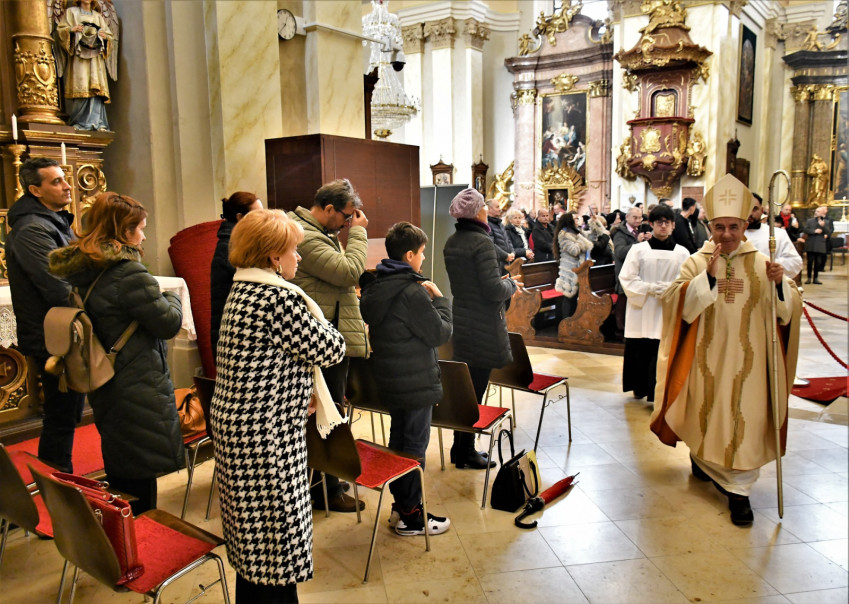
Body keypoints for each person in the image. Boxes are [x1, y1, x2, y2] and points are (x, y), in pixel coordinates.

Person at [651, 174, 801, 527]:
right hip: (706, 359)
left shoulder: (763, 263)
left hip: (751, 364)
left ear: (746, 225)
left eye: (734, 226)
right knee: (705, 415)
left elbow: (787, 311)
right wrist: (707, 278)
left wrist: (780, 285)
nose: (727, 234)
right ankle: (703, 461)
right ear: (710, 226)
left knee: (744, 422)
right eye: (720, 227)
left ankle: (739, 491)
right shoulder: (696, 261)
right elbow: (674, 303)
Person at [211, 209, 346, 603]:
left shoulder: (243, 288)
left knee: (253, 541)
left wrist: (296, 388)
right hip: (265, 434)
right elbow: (331, 347)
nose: (298, 257)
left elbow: (267, 362)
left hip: (240, 426)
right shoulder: (276, 298)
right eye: (293, 250)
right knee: (277, 541)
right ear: (273, 256)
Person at [48, 192, 184, 512]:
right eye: (140, 229)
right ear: (124, 231)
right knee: (141, 474)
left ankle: (124, 533)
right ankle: (141, 536)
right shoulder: (129, 274)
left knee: (123, 465)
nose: (144, 236)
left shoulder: (84, 270)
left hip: (107, 377)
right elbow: (168, 324)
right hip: (137, 383)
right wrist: (173, 298)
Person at [359, 222, 452, 537]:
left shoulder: (376, 287)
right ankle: (412, 516)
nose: (424, 258)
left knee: (399, 444)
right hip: (415, 383)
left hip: (392, 380)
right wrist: (441, 301)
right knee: (413, 448)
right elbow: (439, 333)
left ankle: (401, 509)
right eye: (422, 253)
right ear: (410, 255)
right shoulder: (412, 291)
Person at [289, 178, 367, 513]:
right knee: (329, 413)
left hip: (329, 335)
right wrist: (359, 234)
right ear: (329, 208)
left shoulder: (319, 232)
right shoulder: (305, 235)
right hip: (322, 340)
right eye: (347, 217)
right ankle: (327, 491)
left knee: (331, 410)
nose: (349, 223)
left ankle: (326, 480)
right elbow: (349, 272)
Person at [6, 158, 85, 473]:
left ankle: (60, 480)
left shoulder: (52, 221)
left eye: (64, 179)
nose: (67, 186)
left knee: (67, 413)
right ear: (35, 190)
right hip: (52, 335)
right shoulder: (32, 229)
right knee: (61, 416)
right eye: (56, 181)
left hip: (62, 329)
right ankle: (58, 484)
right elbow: (57, 286)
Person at [443, 188, 518, 469]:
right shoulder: (481, 242)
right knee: (476, 391)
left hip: (463, 318)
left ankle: (460, 448)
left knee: (467, 389)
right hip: (484, 324)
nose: (487, 208)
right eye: (484, 205)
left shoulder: (453, 241)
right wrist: (511, 284)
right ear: (477, 212)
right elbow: (492, 289)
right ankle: (466, 450)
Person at [618, 204, 689, 401]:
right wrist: (649, 288)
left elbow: (686, 280)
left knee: (661, 347)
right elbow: (627, 277)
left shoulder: (682, 253)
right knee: (641, 346)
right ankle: (639, 387)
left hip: (668, 306)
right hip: (643, 306)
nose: (663, 226)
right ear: (651, 224)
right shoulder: (638, 250)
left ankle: (657, 391)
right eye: (659, 222)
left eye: (667, 222)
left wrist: (671, 288)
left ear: (673, 225)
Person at [210, 191, 263, 354]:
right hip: (233, 334)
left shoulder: (240, 242)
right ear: (240, 217)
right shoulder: (230, 247)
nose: (263, 219)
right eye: (258, 215)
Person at [55, 0, 116, 131]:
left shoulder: (98, 16)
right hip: (79, 58)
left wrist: (105, 37)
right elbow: (60, 31)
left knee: (96, 88)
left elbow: (110, 37)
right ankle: (81, 121)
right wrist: (72, 30)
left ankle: (97, 122)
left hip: (95, 60)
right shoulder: (71, 12)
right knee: (81, 86)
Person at [745, 195, 803, 280]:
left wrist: (772, 266)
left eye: (754, 209)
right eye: (746, 208)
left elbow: (795, 262)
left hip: (768, 284)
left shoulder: (777, 234)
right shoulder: (731, 235)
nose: (750, 213)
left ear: (762, 211)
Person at [612, 207, 649, 339]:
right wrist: (637, 242)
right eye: (635, 217)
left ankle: (633, 329)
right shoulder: (620, 233)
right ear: (627, 217)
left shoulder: (640, 231)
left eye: (640, 218)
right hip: (624, 272)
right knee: (623, 300)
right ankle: (620, 330)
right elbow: (620, 253)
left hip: (638, 272)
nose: (638, 220)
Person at [553, 212, 593, 319]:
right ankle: (565, 321)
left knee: (575, 297)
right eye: (575, 219)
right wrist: (582, 241)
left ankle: (574, 321)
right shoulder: (564, 234)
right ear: (569, 221)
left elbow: (592, 237)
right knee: (569, 296)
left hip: (579, 268)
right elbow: (574, 250)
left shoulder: (577, 233)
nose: (577, 221)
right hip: (569, 269)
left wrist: (594, 222)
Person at [803, 205, 833, 284]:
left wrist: (823, 226)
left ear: (822, 213)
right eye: (816, 211)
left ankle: (815, 278)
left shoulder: (826, 222)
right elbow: (805, 230)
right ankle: (809, 278)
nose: (816, 212)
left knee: (818, 262)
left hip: (820, 244)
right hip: (811, 243)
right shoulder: (810, 221)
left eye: (818, 211)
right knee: (810, 261)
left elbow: (828, 232)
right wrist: (814, 231)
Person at [486, 199, 516, 273]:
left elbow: (508, 240)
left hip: (506, 262)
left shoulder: (500, 224)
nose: (500, 209)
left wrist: (512, 252)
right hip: (497, 264)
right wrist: (505, 255)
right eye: (497, 207)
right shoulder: (487, 225)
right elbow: (491, 244)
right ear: (489, 209)